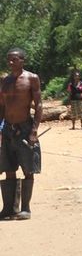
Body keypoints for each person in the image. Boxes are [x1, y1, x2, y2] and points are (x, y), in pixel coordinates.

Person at [0, 48, 42, 220]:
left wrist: (34, 131)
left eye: (14, 60)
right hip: (8, 128)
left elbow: (39, 105)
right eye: (9, 60)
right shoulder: (5, 81)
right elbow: (1, 106)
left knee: (28, 168)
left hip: (25, 127)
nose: (11, 63)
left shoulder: (32, 78)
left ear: (22, 60)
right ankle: (9, 208)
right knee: (8, 168)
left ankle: (25, 208)